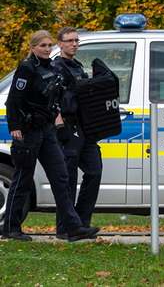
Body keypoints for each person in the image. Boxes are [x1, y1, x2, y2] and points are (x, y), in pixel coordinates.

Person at [1, 30, 100, 241]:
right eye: (42, 46)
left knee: (61, 177)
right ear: (33, 48)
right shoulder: (27, 68)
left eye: (48, 46)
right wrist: (14, 126)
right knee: (23, 180)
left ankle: (72, 227)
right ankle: (11, 228)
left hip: (47, 132)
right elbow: (13, 101)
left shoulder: (50, 68)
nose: (46, 49)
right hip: (28, 133)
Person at [52, 26, 103, 240]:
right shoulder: (56, 69)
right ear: (60, 44)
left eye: (76, 40)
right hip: (68, 127)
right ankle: (65, 228)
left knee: (94, 171)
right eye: (70, 41)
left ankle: (81, 224)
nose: (74, 44)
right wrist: (59, 125)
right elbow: (52, 101)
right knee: (68, 179)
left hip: (84, 129)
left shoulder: (78, 68)